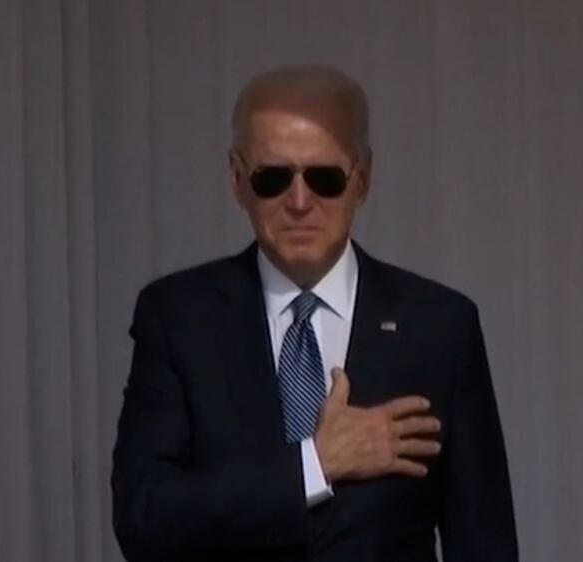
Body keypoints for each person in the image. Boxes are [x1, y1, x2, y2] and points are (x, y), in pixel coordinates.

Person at [111, 64, 517, 561]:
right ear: (238, 180)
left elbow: (484, 542)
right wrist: (313, 464)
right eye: (273, 179)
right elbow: (143, 517)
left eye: (324, 178)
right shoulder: (178, 318)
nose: (299, 202)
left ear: (362, 179)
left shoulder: (440, 327)